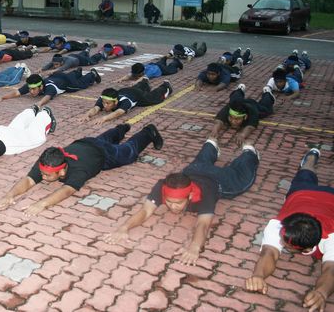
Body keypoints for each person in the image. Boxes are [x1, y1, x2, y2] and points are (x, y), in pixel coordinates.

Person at [107, 139, 259, 265]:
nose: (173, 207)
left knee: (244, 177)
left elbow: (203, 224)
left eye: (178, 203)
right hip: (195, 170)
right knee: (200, 161)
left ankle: (249, 152)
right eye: (169, 202)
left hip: (220, 180)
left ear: (190, 196)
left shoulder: (205, 194)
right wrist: (124, 228)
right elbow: (145, 211)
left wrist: (194, 247)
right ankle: (211, 145)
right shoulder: (162, 185)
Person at [0, 123, 164, 216]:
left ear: (62, 172)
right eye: (42, 174)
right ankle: (120, 129)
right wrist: (9, 195)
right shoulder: (48, 160)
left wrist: (41, 204)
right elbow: (28, 180)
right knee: (102, 139)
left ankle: (147, 132)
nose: (42, 177)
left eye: (47, 175)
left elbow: (66, 191)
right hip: (85, 143)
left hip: (103, 154)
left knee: (129, 152)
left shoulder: (78, 170)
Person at [246, 148, 334, 311]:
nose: (279, 242)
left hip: (329, 198)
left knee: (306, 174)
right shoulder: (278, 225)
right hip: (301, 193)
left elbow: (331, 269)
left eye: (285, 244)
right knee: (305, 171)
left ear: (306, 249)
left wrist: (322, 292)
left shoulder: (332, 237)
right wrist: (258, 275)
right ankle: (311, 157)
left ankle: (310, 160)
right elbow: (269, 254)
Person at [209, 84, 275, 147]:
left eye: (237, 119)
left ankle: (267, 93)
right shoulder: (229, 108)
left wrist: (242, 135)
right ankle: (239, 89)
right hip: (239, 102)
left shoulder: (252, 111)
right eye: (231, 117)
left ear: (245, 117)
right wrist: (215, 131)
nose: (233, 121)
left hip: (254, 106)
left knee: (266, 109)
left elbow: (250, 127)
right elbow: (219, 121)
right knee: (234, 99)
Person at [81, 80, 173, 124]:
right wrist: (87, 114)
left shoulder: (125, 102)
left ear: (116, 102)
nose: (104, 105)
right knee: (137, 87)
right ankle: (144, 82)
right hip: (126, 90)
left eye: (108, 103)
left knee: (154, 98)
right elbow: (95, 108)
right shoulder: (105, 98)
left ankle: (166, 87)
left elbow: (118, 113)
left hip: (137, 96)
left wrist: (104, 118)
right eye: (104, 102)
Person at [0, 69, 101, 107]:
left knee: (80, 85)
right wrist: (3, 97)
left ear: (41, 86)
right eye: (30, 89)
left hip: (67, 82)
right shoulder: (33, 84)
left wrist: (39, 103)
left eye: (33, 89)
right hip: (57, 76)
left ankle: (92, 74)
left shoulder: (50, 88)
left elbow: (47, 97)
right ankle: (77, 72)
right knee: (72, 76)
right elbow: (17, 92)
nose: (31, 91)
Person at [39, 50, 105, 76]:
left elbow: (63, 68)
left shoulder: (68, 62)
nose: (55, 66)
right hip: (73, 56)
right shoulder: (58, 59)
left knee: (92, 60)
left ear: (62, 62)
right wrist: (42, 69)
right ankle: (85, 51)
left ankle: (100, 54)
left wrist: (53, 70)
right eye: (54, 64)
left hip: (80, 60)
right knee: (81, 55)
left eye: (57, 64)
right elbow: (50, 64)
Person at [116, 57, 183, 82]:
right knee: (160, 62)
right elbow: (129, 75)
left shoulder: (149, 72)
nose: (136, 75)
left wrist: (135, 82)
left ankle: (176, 62)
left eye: (138, 74)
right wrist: (120, 79)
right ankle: (164, 59)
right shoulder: (138, 67)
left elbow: (143, 78)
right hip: (155, 65)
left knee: (173, 69)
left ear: (142, 72)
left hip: (162, 69)